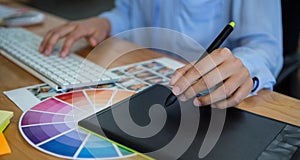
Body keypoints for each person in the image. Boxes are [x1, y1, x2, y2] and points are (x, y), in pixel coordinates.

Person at [39, 0, 283, 109]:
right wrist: (105, 23)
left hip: (206, 99)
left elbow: (265, 46)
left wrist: (246, 66)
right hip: (147, 82)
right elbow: (130, 15)